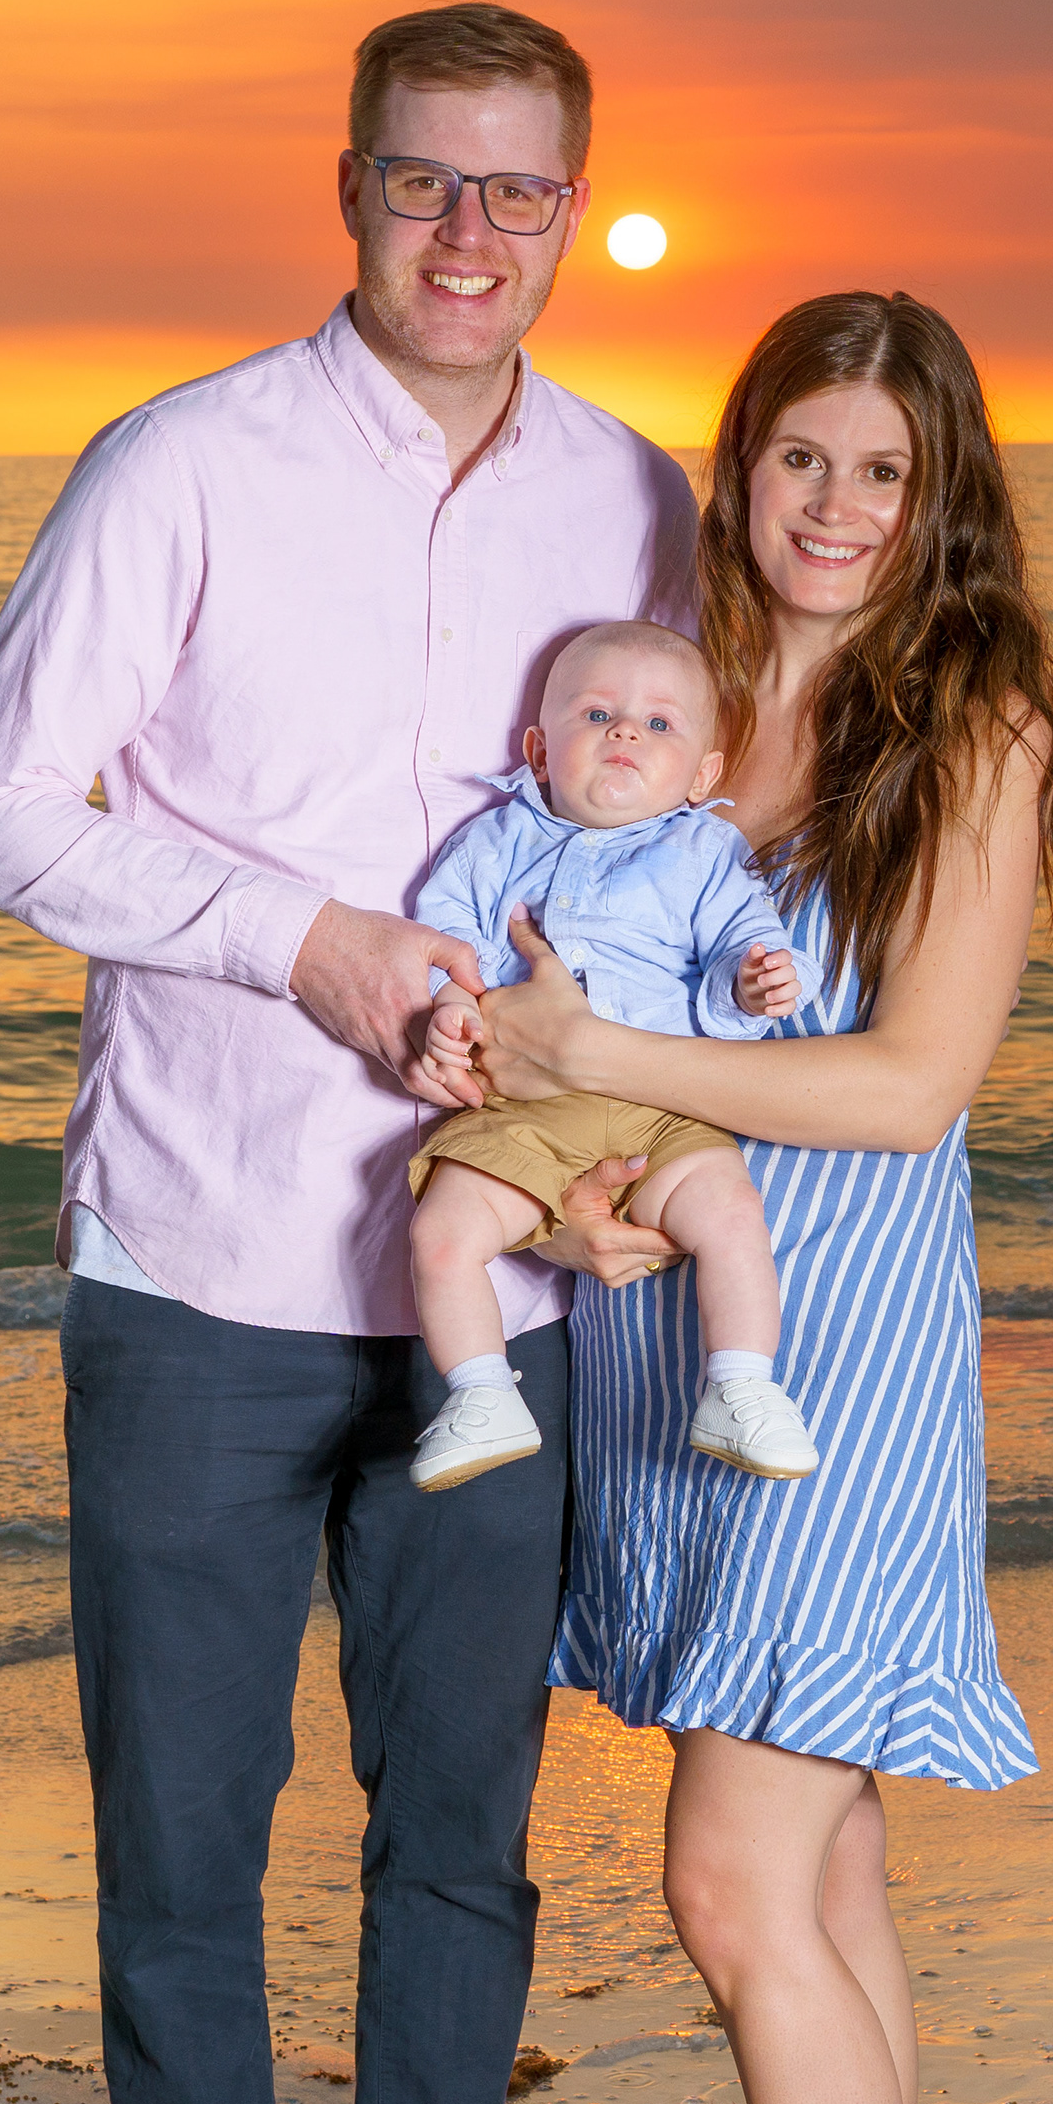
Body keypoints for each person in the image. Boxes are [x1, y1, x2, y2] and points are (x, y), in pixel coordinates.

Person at [0, 3, 693, 2104]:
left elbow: (694, 855)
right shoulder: (182, 465)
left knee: (460, 1808)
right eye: (422, 183)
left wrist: (634, 1084)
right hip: (200, 1261)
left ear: (574, 208)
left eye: (517, 192)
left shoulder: (642, 502)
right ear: (345, 188)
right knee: (180, 1805)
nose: (470, 235)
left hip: (519, 1285)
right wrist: (308, 943)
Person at [472, 291, 1053, 2104]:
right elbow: (573, 1000)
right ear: (741, 468)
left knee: (735, 1883)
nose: (835, 507)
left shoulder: (980, 721)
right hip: (666, 1332)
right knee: (823, 1882)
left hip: (834, 1353)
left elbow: (913, 1082)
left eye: (884, 472)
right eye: (800, 458)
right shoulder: (683, 700)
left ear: (944, 503)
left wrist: (605, 1064)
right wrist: (563, 1202)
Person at [401, 619, 819, 1494]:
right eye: (598, 714)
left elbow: (742, 941)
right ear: (539, 752)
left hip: (661, 1108)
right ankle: (481, 1393)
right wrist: (447, 1003)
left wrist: (754, 984)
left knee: (733, 1218)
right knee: (442, 1233)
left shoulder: (702, 852)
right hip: (525, 1114)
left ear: (704, 774)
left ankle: (741, 1383)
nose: (627, 732)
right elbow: (445, 941)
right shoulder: (496, 842)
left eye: (660, 725)